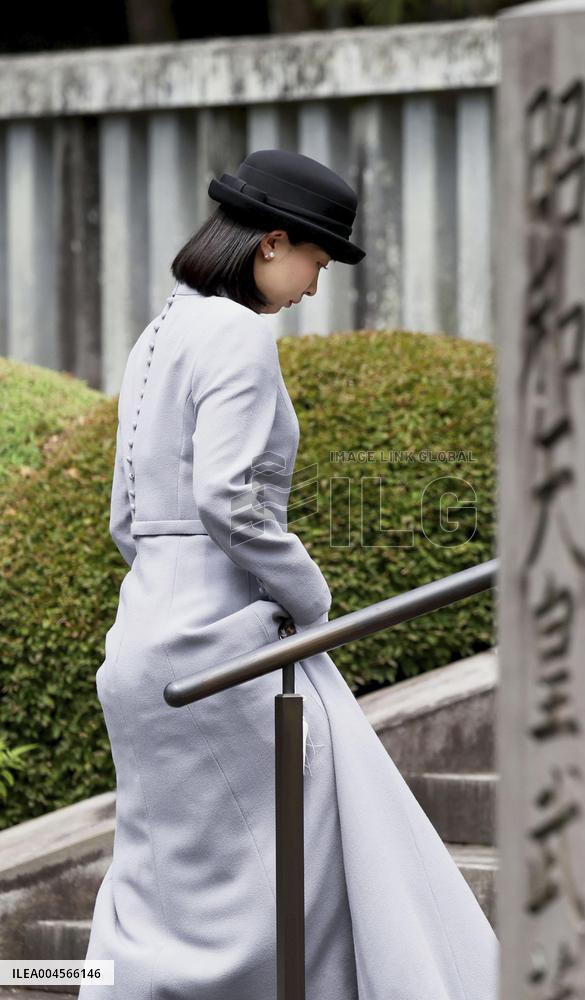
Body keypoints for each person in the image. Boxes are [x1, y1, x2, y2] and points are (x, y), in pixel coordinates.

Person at [80, 149, 498, 999]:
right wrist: (309, 597)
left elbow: (127, 517)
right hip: (225, 645)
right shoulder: (237, 332)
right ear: (272, 243)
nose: (314, 286)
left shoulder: (158, 332)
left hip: (143, 643)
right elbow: (229, 499)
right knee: (297, 867)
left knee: (173, 889)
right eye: (315, 259)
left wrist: (171, 580)